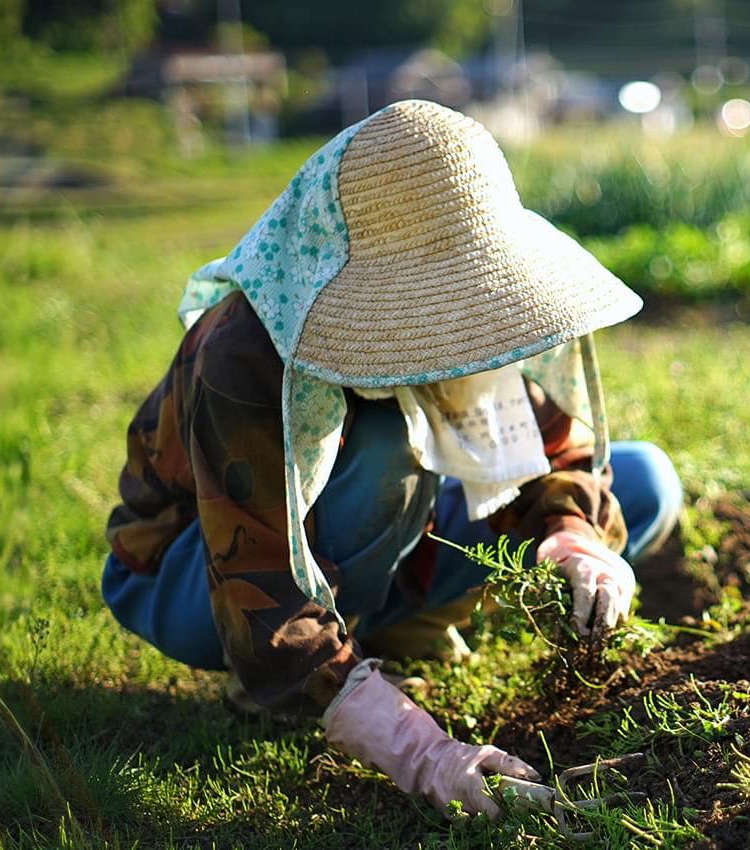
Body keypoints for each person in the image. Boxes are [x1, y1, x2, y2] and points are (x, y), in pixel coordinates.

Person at [99, 100, 683, 817]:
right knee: (386, 453)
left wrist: (572, 539)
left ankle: (390, 624)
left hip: (380, 533)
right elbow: (256, 581)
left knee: (646, 480)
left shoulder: (480, 312)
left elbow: (551, 450)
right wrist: (421, 751)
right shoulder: (246, 354)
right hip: (196, 576)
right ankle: (325, 675)